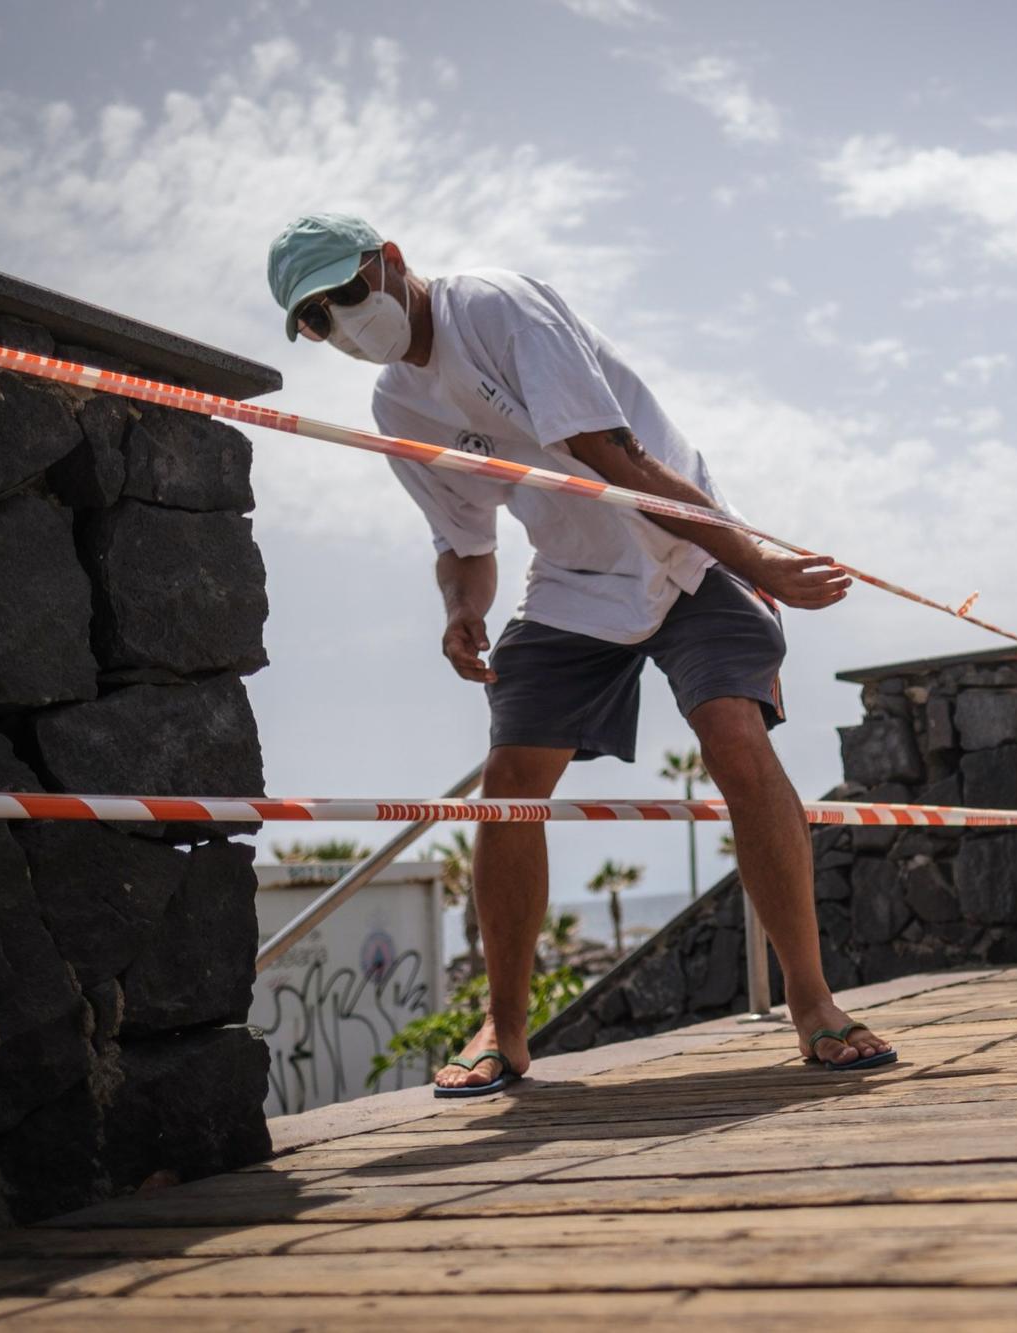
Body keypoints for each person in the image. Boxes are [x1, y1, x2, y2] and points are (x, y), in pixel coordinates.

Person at [266, 214, 894, 1094]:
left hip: (686, 545)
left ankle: (815, 1005)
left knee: (733, 736)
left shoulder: (495, 306)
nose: (341, 320)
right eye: (317, 320)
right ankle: (507, 1031)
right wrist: (459, 609)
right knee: (510, 783)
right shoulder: (394, 407)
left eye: (345, 292)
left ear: (393, 262)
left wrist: (757, 562)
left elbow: (616, 461)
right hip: (574, 577)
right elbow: (466, 543)